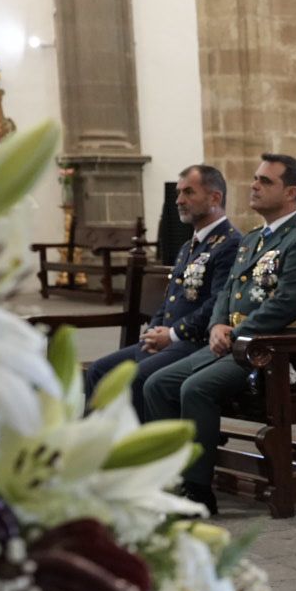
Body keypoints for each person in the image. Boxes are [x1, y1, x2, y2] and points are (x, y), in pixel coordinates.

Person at [144, 154, 296, 516]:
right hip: (237, 345)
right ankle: (168, 475)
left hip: (271, 352)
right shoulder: (254, 239)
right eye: (255, 179)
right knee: (157, 384)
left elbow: (285, 304)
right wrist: (216, 325)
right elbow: (226, 293)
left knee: (194, 388)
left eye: (265, 181)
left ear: (291, 192)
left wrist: (236, 333)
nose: (254, 186)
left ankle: (198, 492)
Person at [83, 164, 240, 421]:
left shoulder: (230, 244)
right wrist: (154, 330)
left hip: (194, 343)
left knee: (137, 376)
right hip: (167, 340)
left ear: (215, 197)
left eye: (189, 193)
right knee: (99, 371)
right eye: (178, 193)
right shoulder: (188, 246)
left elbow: (218, 303)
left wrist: (173, 334)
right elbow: (171, 298)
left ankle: (141, 453)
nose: (179, 200)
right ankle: (97, 448)